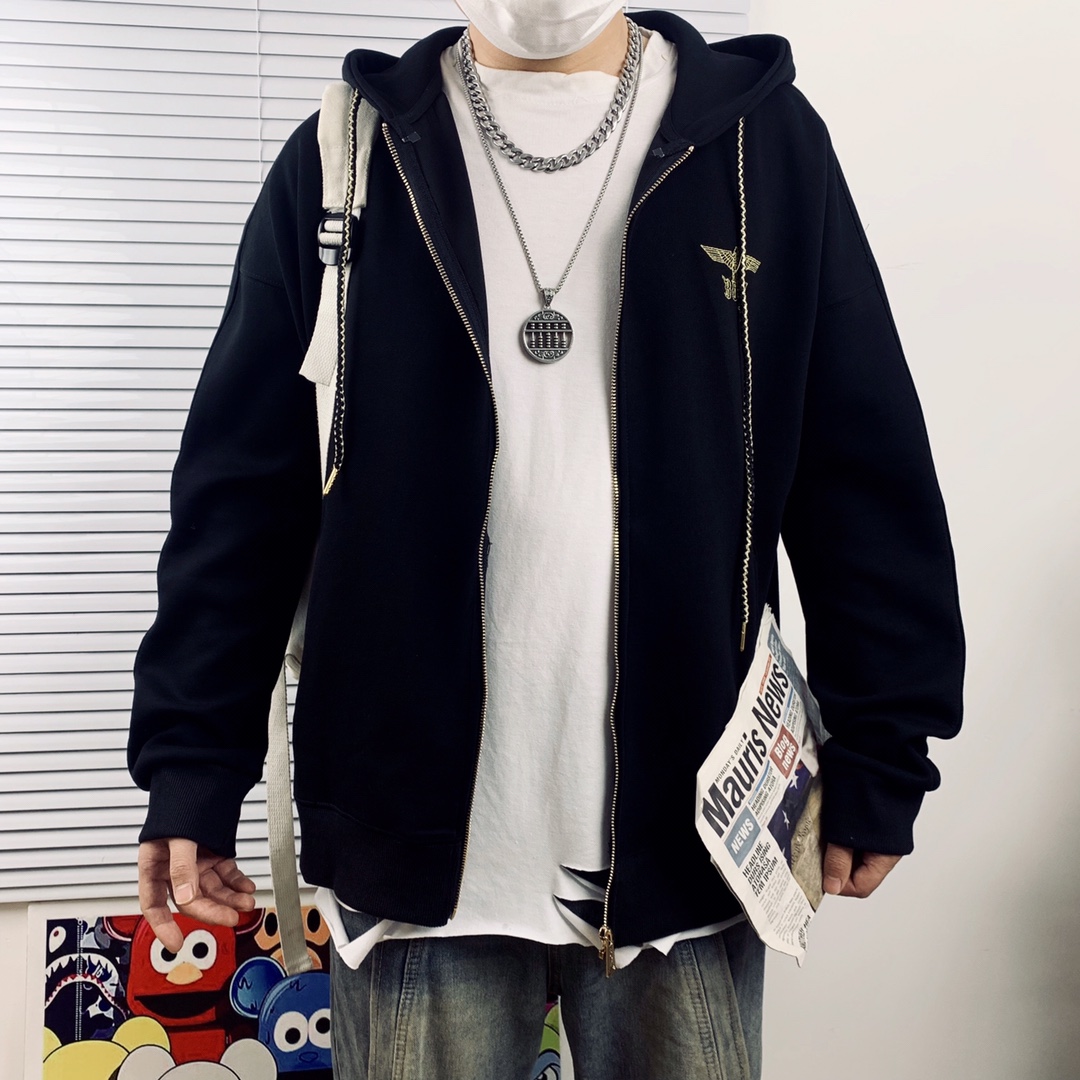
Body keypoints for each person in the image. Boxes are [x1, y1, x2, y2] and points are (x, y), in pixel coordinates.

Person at [127, 2, 965, 1077]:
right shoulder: (347, 155)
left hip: (690, 838)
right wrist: (193, 767)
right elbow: (244, 494)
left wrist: (884, 746)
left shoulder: (762, 148)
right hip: (410, 851)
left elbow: (862, 465)